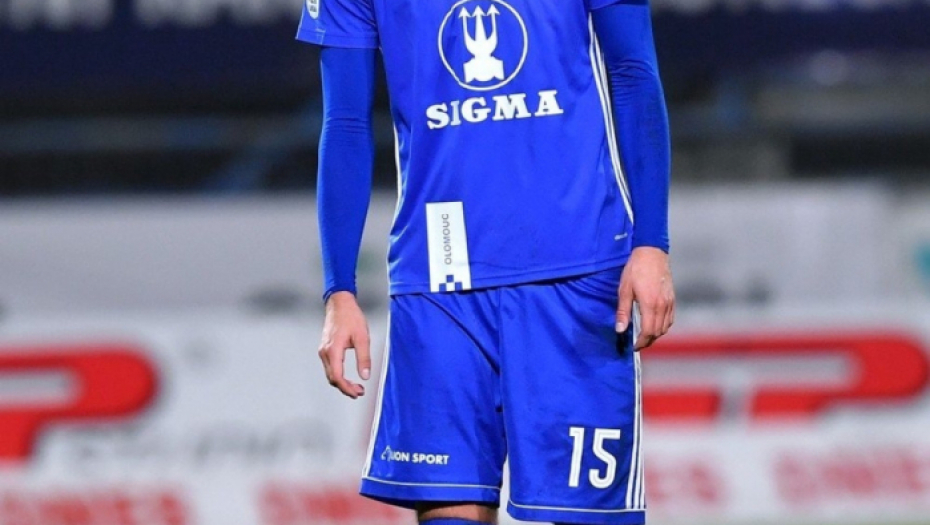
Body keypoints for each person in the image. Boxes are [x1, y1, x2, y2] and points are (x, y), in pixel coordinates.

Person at [298, 0, 674, 522]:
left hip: (577, 266)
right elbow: (344, 122)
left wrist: (651, 243)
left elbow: (633, 74)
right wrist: (339, 289)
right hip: (439, 278)